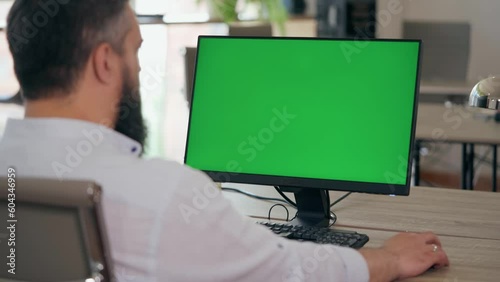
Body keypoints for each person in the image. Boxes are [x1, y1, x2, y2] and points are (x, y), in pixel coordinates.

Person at [0, 1, 449, 281]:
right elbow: (289, 271)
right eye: (134, 51)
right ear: (103, 62)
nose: (137, 69)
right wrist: (388, 260)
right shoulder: (161, 195)